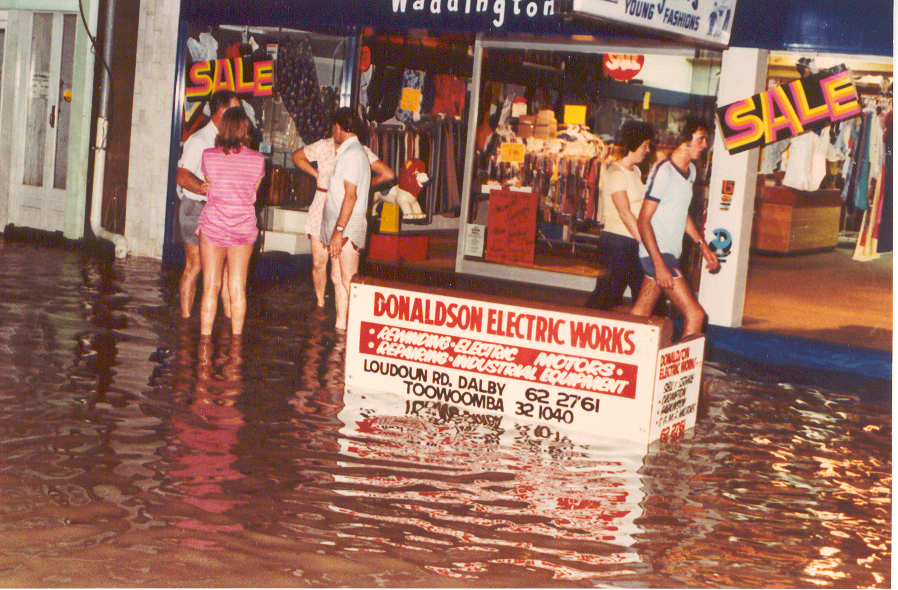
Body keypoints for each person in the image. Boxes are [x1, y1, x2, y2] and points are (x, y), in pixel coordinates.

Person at [291, 112, 394, 317]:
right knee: (319, 262)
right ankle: (321, 303)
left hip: (346, 205)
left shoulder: (360, 151)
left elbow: (388, 174)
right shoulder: (323, 145)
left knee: (343, 271)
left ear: (340, 127)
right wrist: (317, 176)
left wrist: (362, 188)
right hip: (323, 203)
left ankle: (346, 317)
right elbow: (296, 157)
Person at [630, 116, 720, 338]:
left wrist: (702, 245)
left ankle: (622, 362)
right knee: (695, 314)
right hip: (659, 253)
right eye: (701, 139)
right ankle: (684, 372)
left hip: (668, 252)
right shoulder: (664, 172)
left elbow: (681, 213)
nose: (705, 145)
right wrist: (659, 263)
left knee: (640, 313)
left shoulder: (691, 172)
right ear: (685, 141)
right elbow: (643, 220)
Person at [196, 107, 266, 337]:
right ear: (246, 130)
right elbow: (251, 195)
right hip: (242, 229)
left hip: (213, 226)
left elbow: (210, 187)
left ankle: (204, 347)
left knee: (210, 287)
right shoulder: (258, 160)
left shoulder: (208, 155)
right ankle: (236, 347)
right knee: (237, 288)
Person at [176, 89, 241, 320]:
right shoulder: (199, 140)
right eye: (235, 109)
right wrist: (204, 187)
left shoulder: (232, 142)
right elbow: (182, 176)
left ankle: (228, 324)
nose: (240, 114)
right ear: (220, 112)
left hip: (221, 212)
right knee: (195, 265)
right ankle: (185, 320)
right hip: (196, 208)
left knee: (223, 270)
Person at [586, 120, 655, 311]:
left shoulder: (636, 171)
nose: (647, 150)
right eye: (644, 145)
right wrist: (645, 241)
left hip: (631, 242)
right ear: (632, 144)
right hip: (618, 243)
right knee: (605, 297)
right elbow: (624, 213)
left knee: (644, 296)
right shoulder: (615, 173)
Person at [319, 108, 373, 333]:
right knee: (337, 276)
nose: (333, 131)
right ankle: (342, 326)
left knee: (349, 280)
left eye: (334, 127)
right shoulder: (350, 152)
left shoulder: (352, 155)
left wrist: (339, 230)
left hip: (347, 225)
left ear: (339, 127)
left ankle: (358, 331)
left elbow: (351, 196)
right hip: (340, 224)